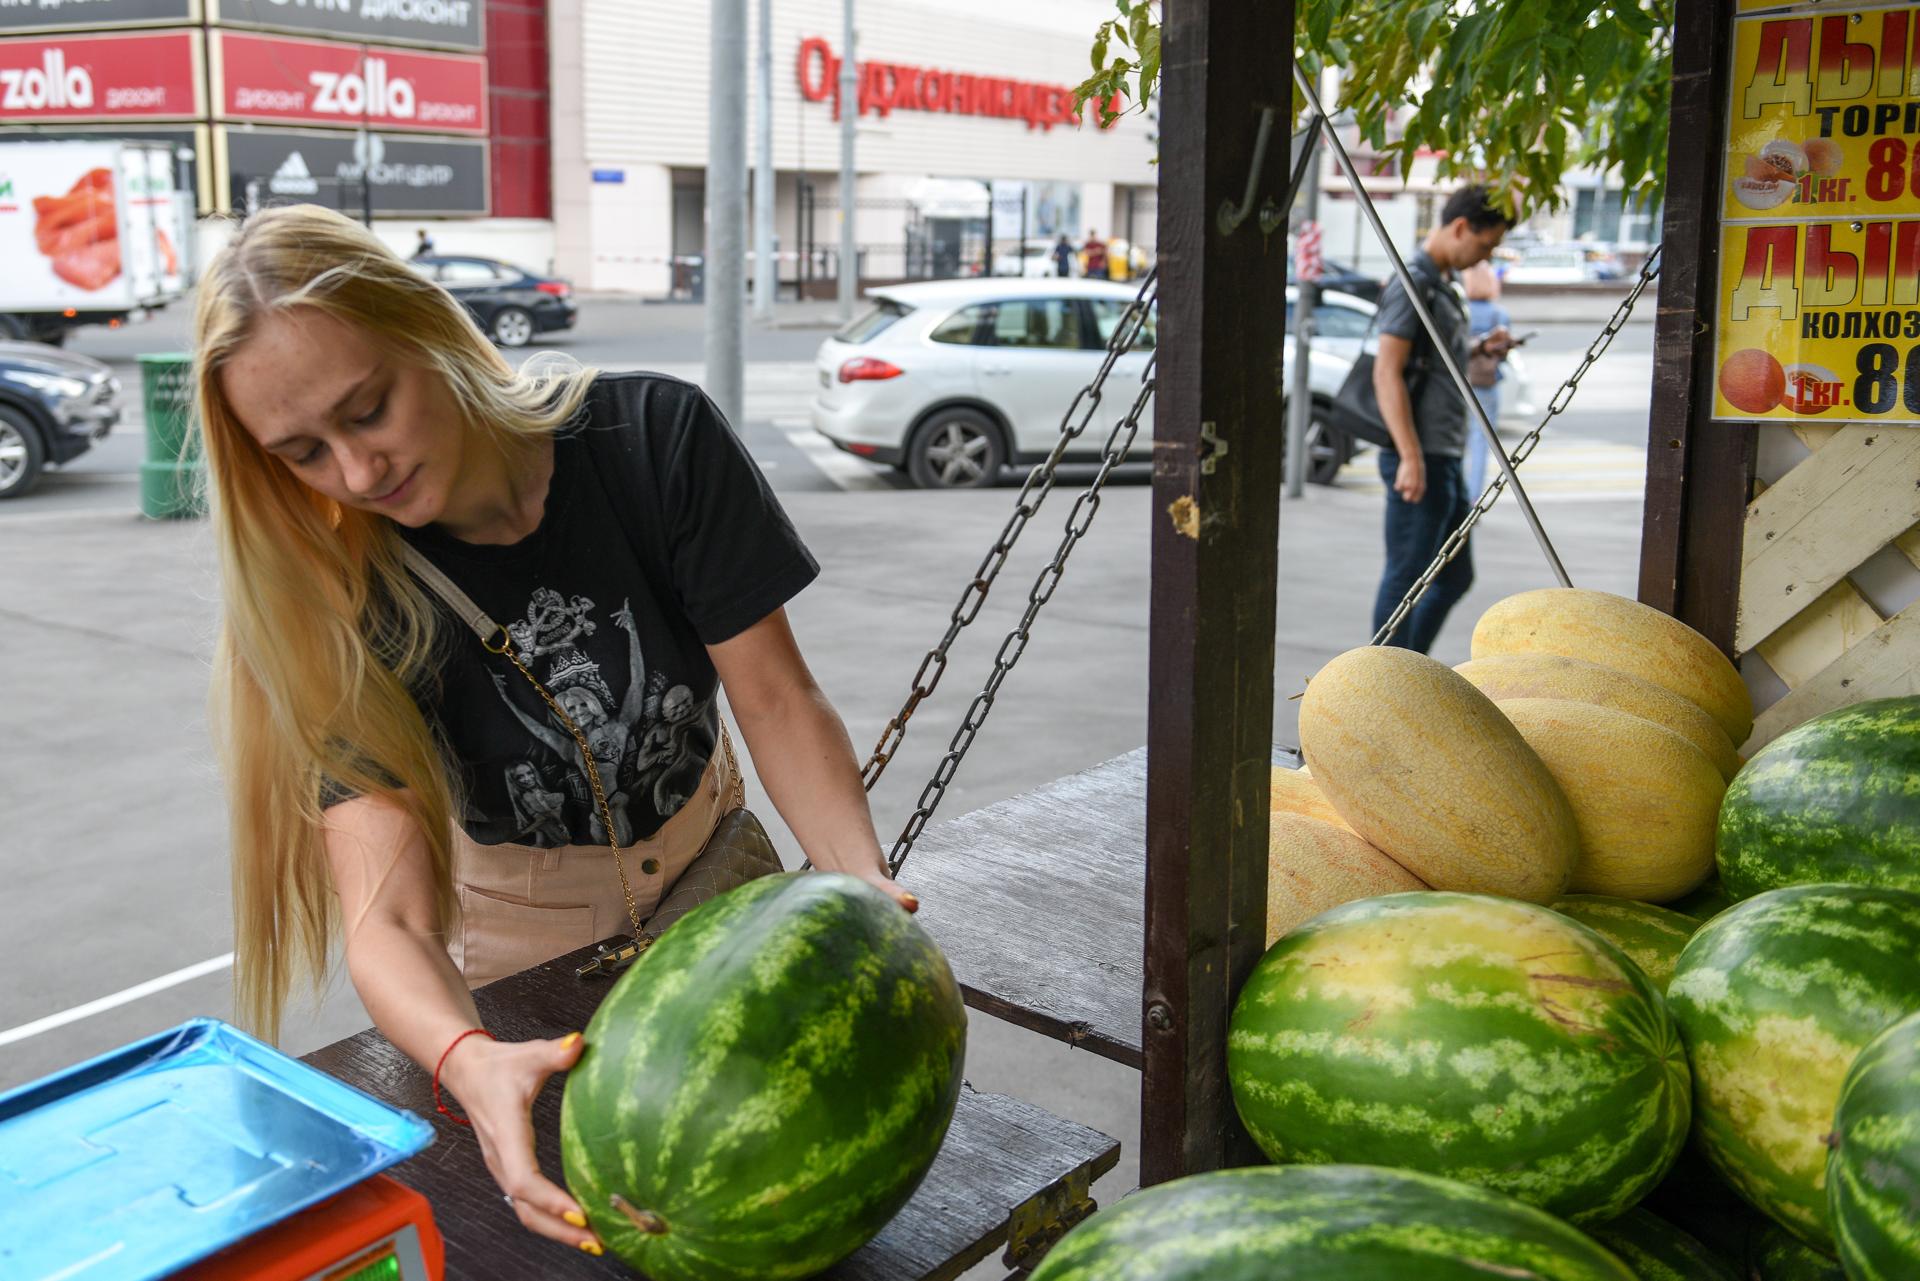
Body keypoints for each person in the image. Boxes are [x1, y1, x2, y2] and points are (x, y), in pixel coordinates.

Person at [192, 204, 916, 1256]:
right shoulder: (341, 596)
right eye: (303, 452)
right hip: (527, 940)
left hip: (724, 875)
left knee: (785, 1199)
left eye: (369, 410)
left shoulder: (655, 440)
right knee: (597, 1228)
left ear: (430, 332)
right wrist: (465, 1056)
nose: (356, 475)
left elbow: (776, 701)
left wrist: (860, 891)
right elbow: (386, 923)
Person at [1370, 185, 1514, 653]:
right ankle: (1385, 690)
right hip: (1421, 456)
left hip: (1444, 453)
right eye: (1484, 245)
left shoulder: (1444, 281)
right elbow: (1386, 370)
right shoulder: (1413, 281)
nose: (1484, 258)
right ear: (1459, 228)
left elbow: (1433, 361)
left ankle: (1408, 667)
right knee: (1405, 582)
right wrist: (1410, 457)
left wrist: (1478, 348)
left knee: (1454, 577)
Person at [1462, 260, 1512, 499]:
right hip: (1486, 383)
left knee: (1459, 440)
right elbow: (1503, 351)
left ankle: (1458, 497)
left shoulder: (1462, 308)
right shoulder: (1498, 313)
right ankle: (1474, 498)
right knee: (1481, 441)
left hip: (1461, 380)